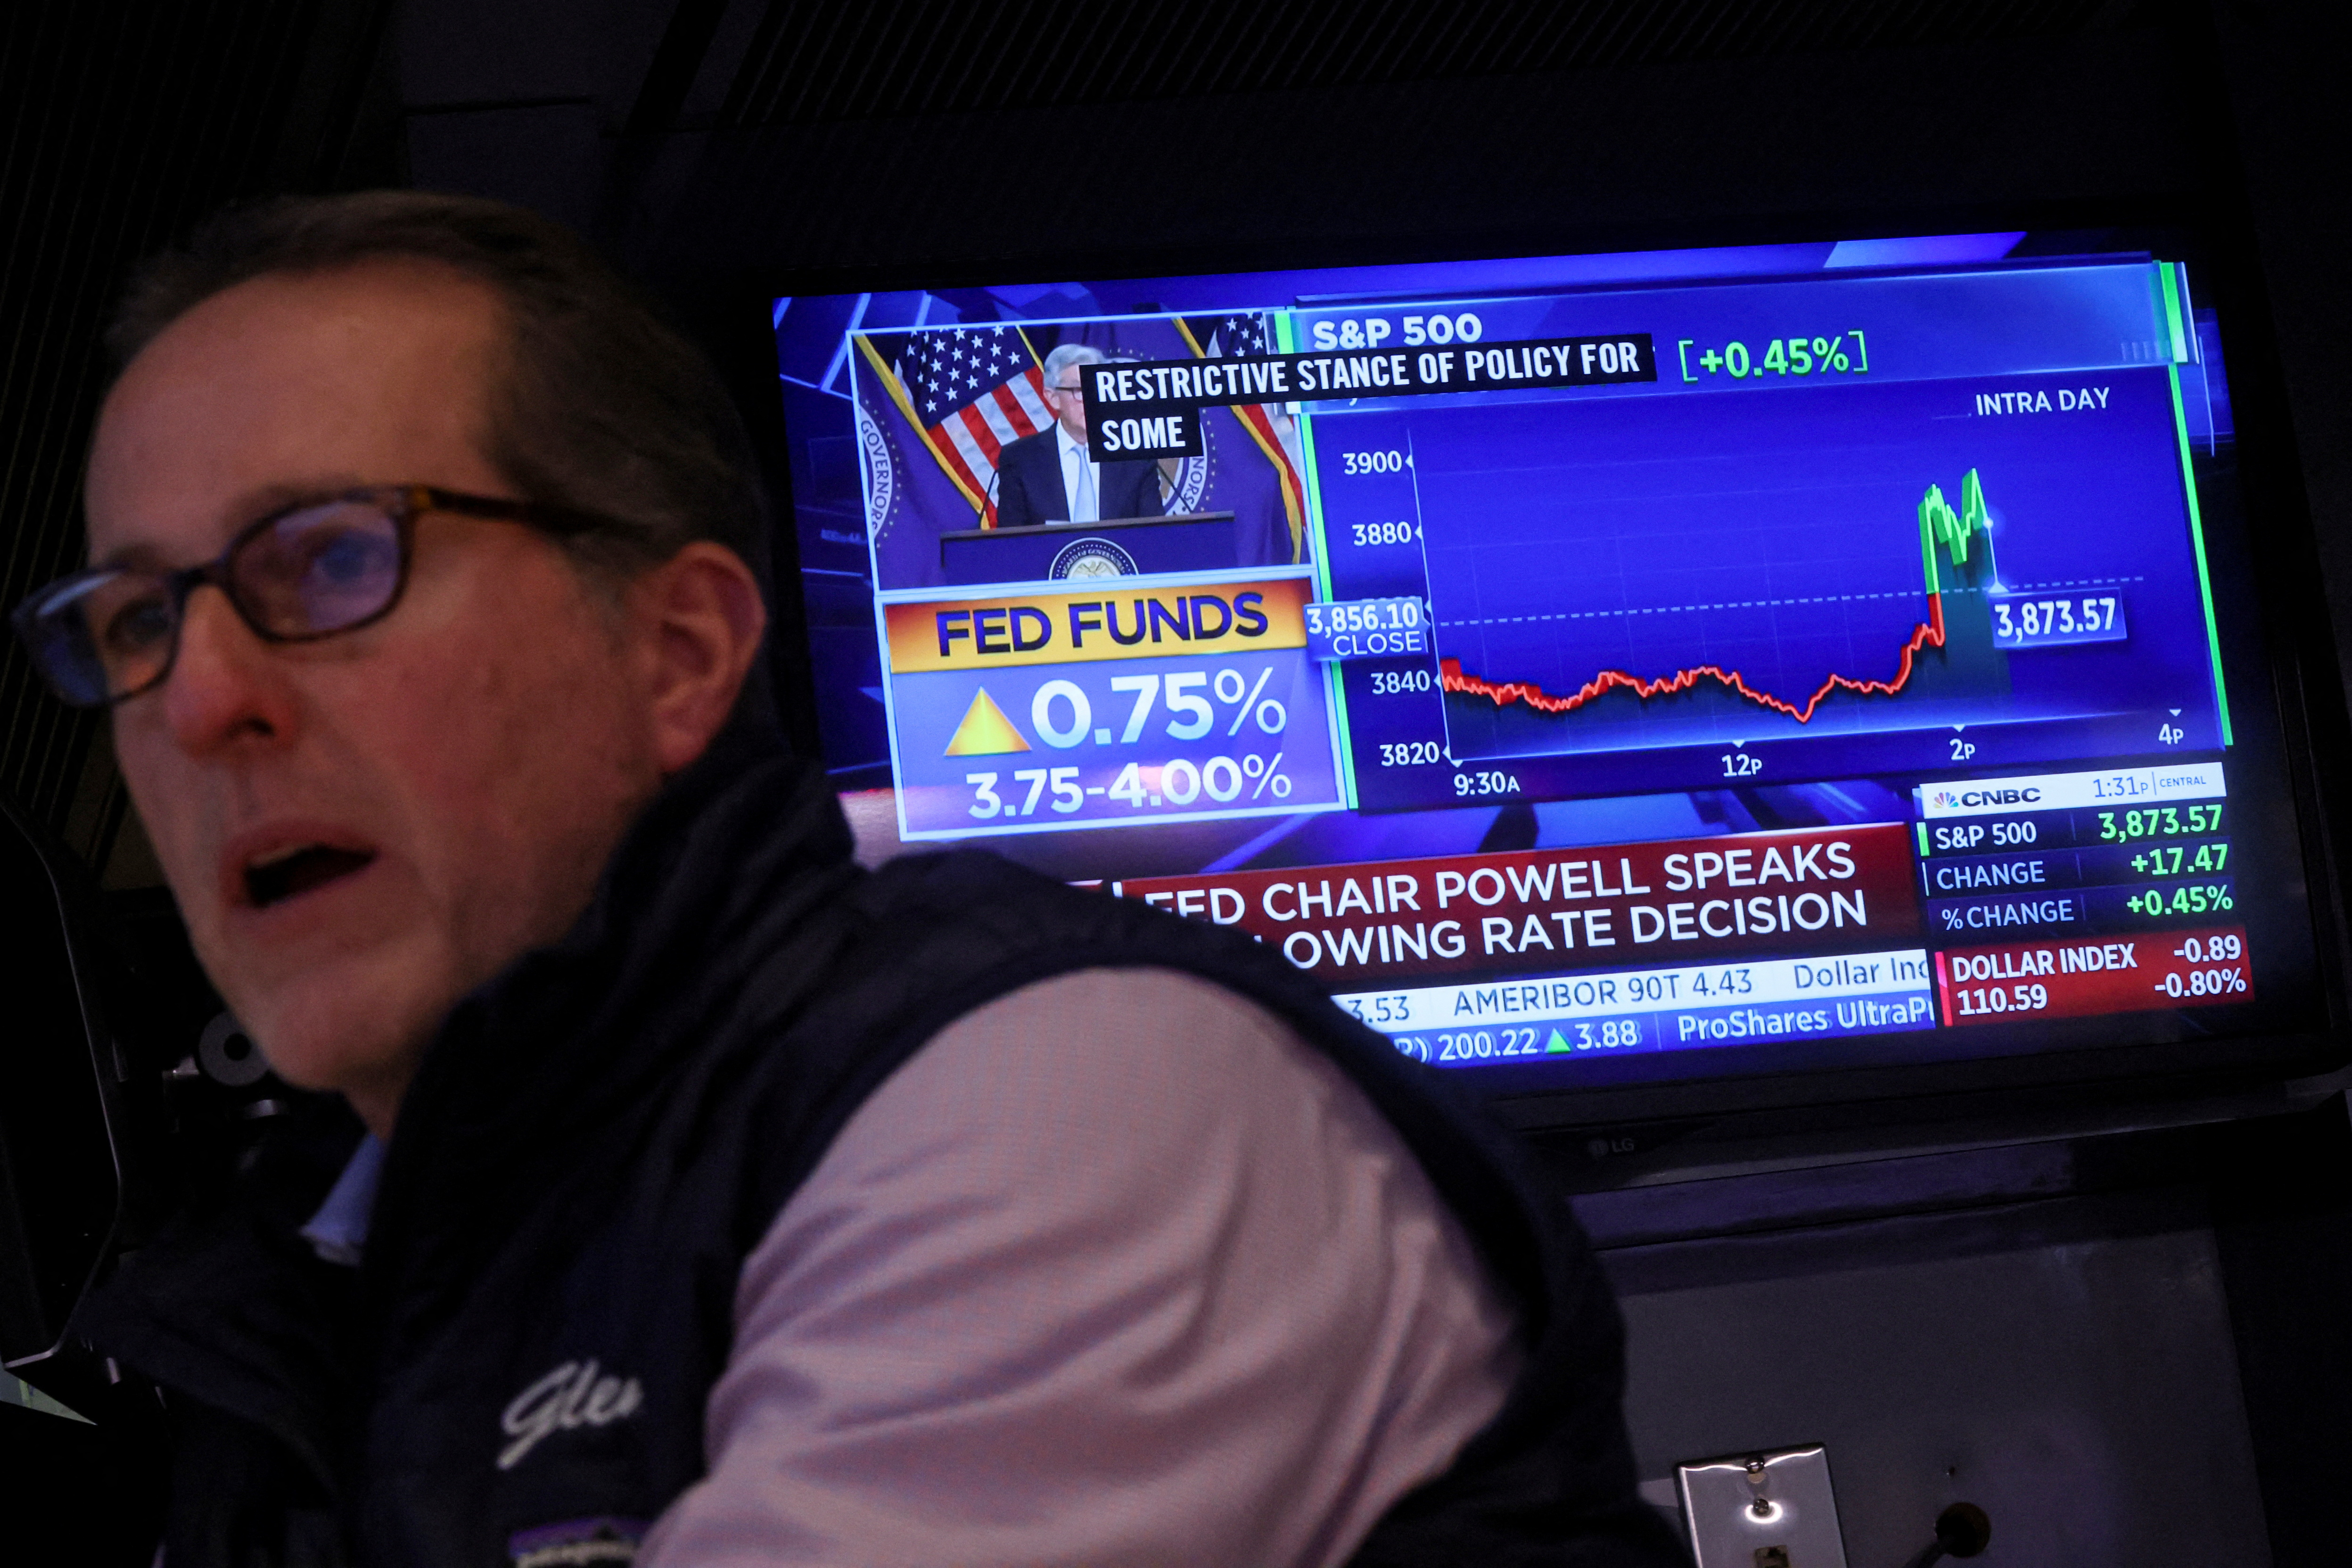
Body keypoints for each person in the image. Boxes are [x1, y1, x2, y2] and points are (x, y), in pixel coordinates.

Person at [19, 191, 1678, 1568]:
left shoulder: (1063, 1089)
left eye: (331, 558)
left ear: (679, 652)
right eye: (138, 621)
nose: (202, 700)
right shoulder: (299, 1290)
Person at [992, 341, 1165, 527]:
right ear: (1053, 398)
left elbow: (1153, 537)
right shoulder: (1020, 460)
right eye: (1081, 391)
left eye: (1098, 388)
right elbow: (1011, 544)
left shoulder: (1135, 457)